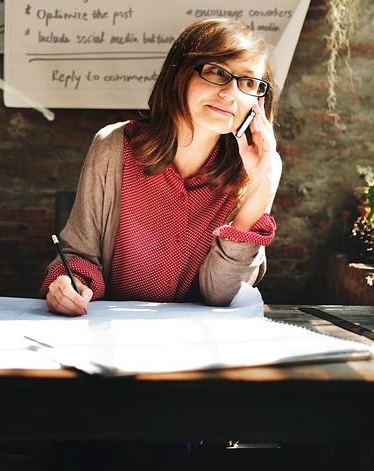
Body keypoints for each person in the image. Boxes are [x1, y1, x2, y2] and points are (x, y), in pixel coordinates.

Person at [40, 18, 280, 316]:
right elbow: (79, 255)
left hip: (196, 347)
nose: (231, 93)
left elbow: (224, 294)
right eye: (217, 72)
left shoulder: (250, 172)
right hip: (106, 335)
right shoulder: (114, 147)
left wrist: (264, 185)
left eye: (247, 82)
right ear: (179, 73)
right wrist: (69, 282)